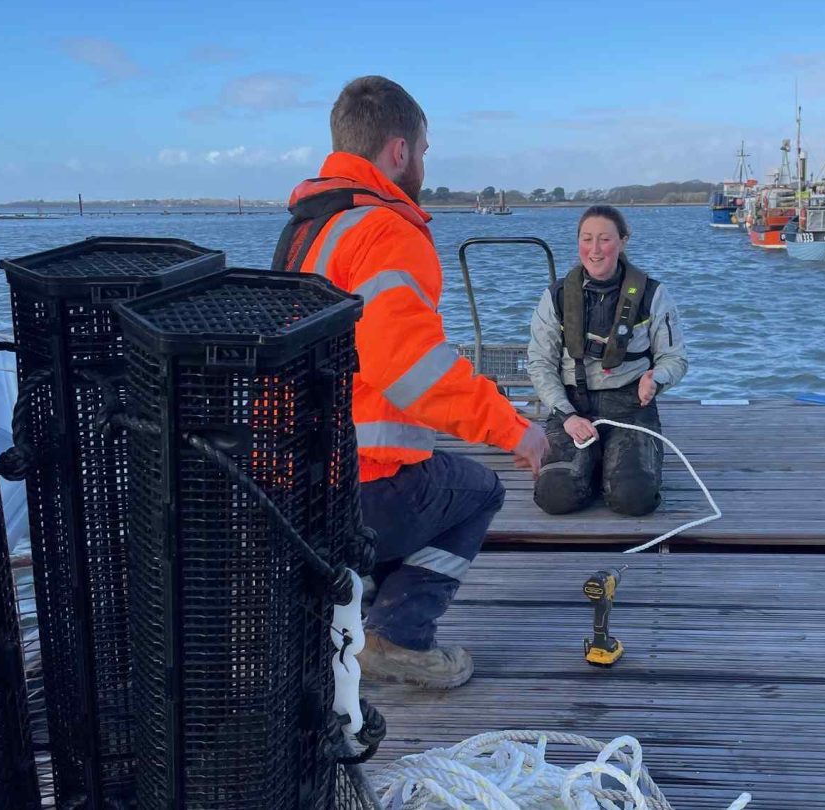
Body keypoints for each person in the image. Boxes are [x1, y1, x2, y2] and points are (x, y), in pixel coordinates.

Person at [272, 75, 547, 689]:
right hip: (358, 485)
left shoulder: (307, 229)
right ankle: (398, 637)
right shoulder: (385, 231)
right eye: (422, 150)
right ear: (398, 150)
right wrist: (513, 429)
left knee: (429, 476)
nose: (422, 163)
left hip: (294, 480)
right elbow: (410, 367)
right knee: (476, 491)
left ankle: (347, 618)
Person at [526, 206, 688, 517]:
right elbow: (540, 363)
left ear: (623, 241)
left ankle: (619, 464)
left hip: (630, 410)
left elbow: (675, 358)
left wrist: (657, 378)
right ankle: (592, 461)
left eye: (605, 239)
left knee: (634, 499)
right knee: (555, 496)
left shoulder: (653, 294)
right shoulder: (556, 297)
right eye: (587, 239)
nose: (595, 250)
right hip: (572, 409)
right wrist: (568, 416)